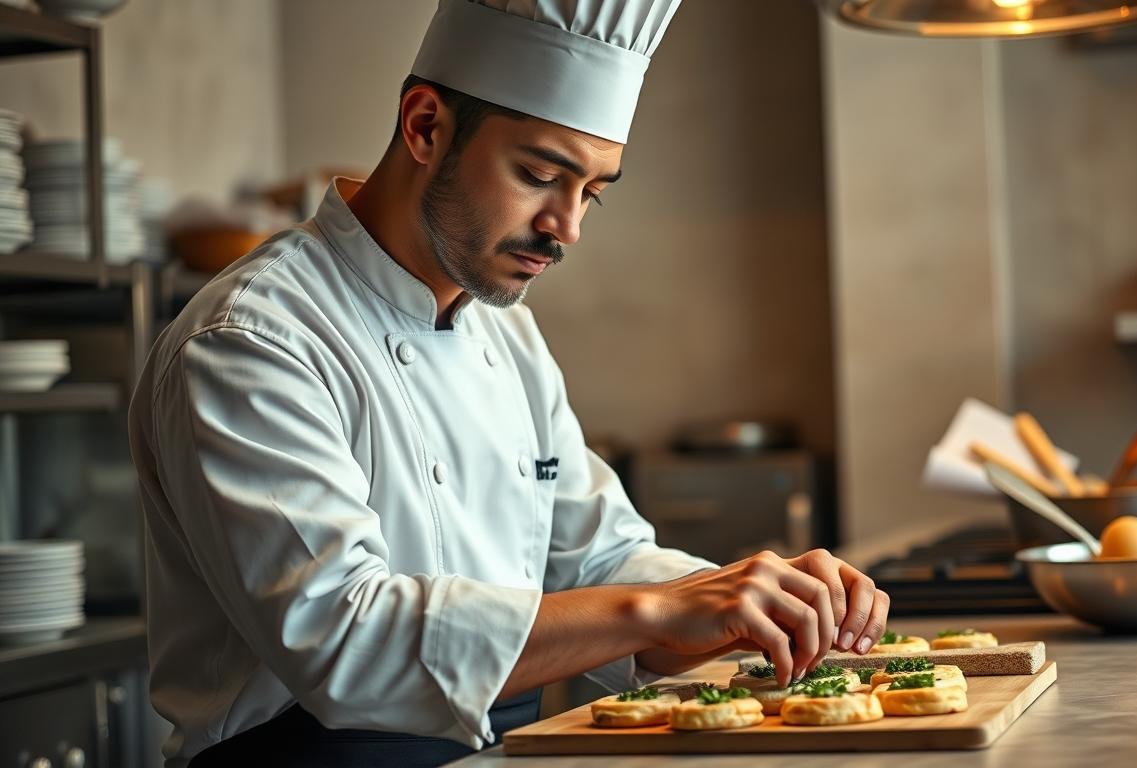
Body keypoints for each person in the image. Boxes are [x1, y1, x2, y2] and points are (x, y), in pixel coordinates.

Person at [128, 1, 890, 765]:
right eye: (539, 175)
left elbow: (597, 558)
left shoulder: (504, 329)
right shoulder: (249, 340)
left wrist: (755, 599)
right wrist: (660, 610)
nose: (567, 227)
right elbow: (343, 640)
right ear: (425, 126)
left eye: (590, 191)